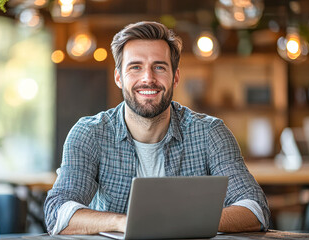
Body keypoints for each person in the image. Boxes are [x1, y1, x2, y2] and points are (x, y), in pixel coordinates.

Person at [44, 21, 270, 235]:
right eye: (135, 67)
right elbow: (58, 212)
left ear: (175, 77)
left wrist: (182, 221)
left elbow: (255, 209)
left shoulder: (210, 133)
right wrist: (124, 222)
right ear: (119, 77)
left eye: (159, 67)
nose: (148, 78)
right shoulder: (90, 133)